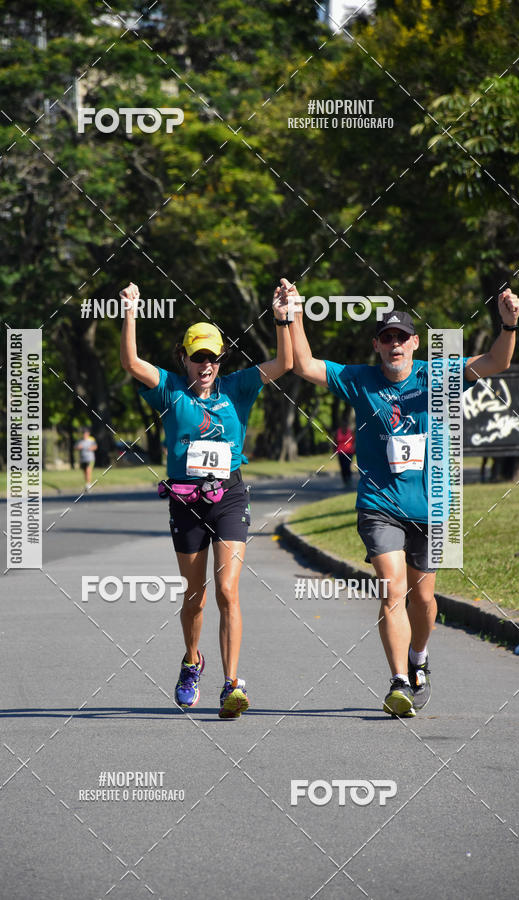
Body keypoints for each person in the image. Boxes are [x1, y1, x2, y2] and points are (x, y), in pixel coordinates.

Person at [289, 282, 519, 717]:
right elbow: (303, 365)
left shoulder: (436, 377)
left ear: (415, 343)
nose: (394, 345)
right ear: (377, 344)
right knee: (391, 590)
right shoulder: (359, 380)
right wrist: (295, 312)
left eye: (402, 338)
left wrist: (509, 323)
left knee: (424, 599)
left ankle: (419, 657)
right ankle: (398, 681)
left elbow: (496, 361)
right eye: (386, 338)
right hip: (379, 504)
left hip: (431, 505)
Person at [120, 280, 293, 718]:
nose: (205, 365)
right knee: (194, 596)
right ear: (185, 358)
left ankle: (232, 684)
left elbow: (287, 361)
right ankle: (192, 659)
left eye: (212, 357)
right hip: (186, 501)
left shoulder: (237, 387)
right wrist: (130, 312)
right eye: (198, 357)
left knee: (228, 590)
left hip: (230, 495)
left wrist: (283, 315)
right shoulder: (169, 390)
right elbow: (130, 361)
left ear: (221, 359)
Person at [335, 418, 355, 488]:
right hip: (340, 452)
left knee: (347, 466)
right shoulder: (338, 432)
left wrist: (354, 447)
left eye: (345, 425)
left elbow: (355, 440)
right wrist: (334, 450)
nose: (344, 426)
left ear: (347, 425)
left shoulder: (350, 432)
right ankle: (344, 481)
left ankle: (349, 480)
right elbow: (335, 442)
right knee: (342, 467)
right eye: (343, 425)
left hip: (349, 452)